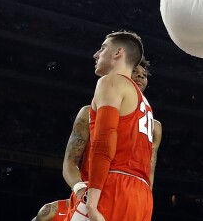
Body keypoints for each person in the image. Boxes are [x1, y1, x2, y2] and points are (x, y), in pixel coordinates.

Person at [32, 60, 162, 221]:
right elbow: (70, 162)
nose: (140, 76)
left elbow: (149, 171)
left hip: (132, 197)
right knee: (47, 213)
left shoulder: (154, 126)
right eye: (135, 71)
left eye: (144, 75)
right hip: (94, 191)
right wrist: (81, 190)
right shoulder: (88, 113)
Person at [65, 31, 155, 221]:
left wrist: (92, 201)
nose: (96, 54)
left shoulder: (111, 81)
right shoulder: (145, 105)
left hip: (111, 187)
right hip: (142, 196)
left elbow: (104, 141)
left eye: (103, 48)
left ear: (118, 53)